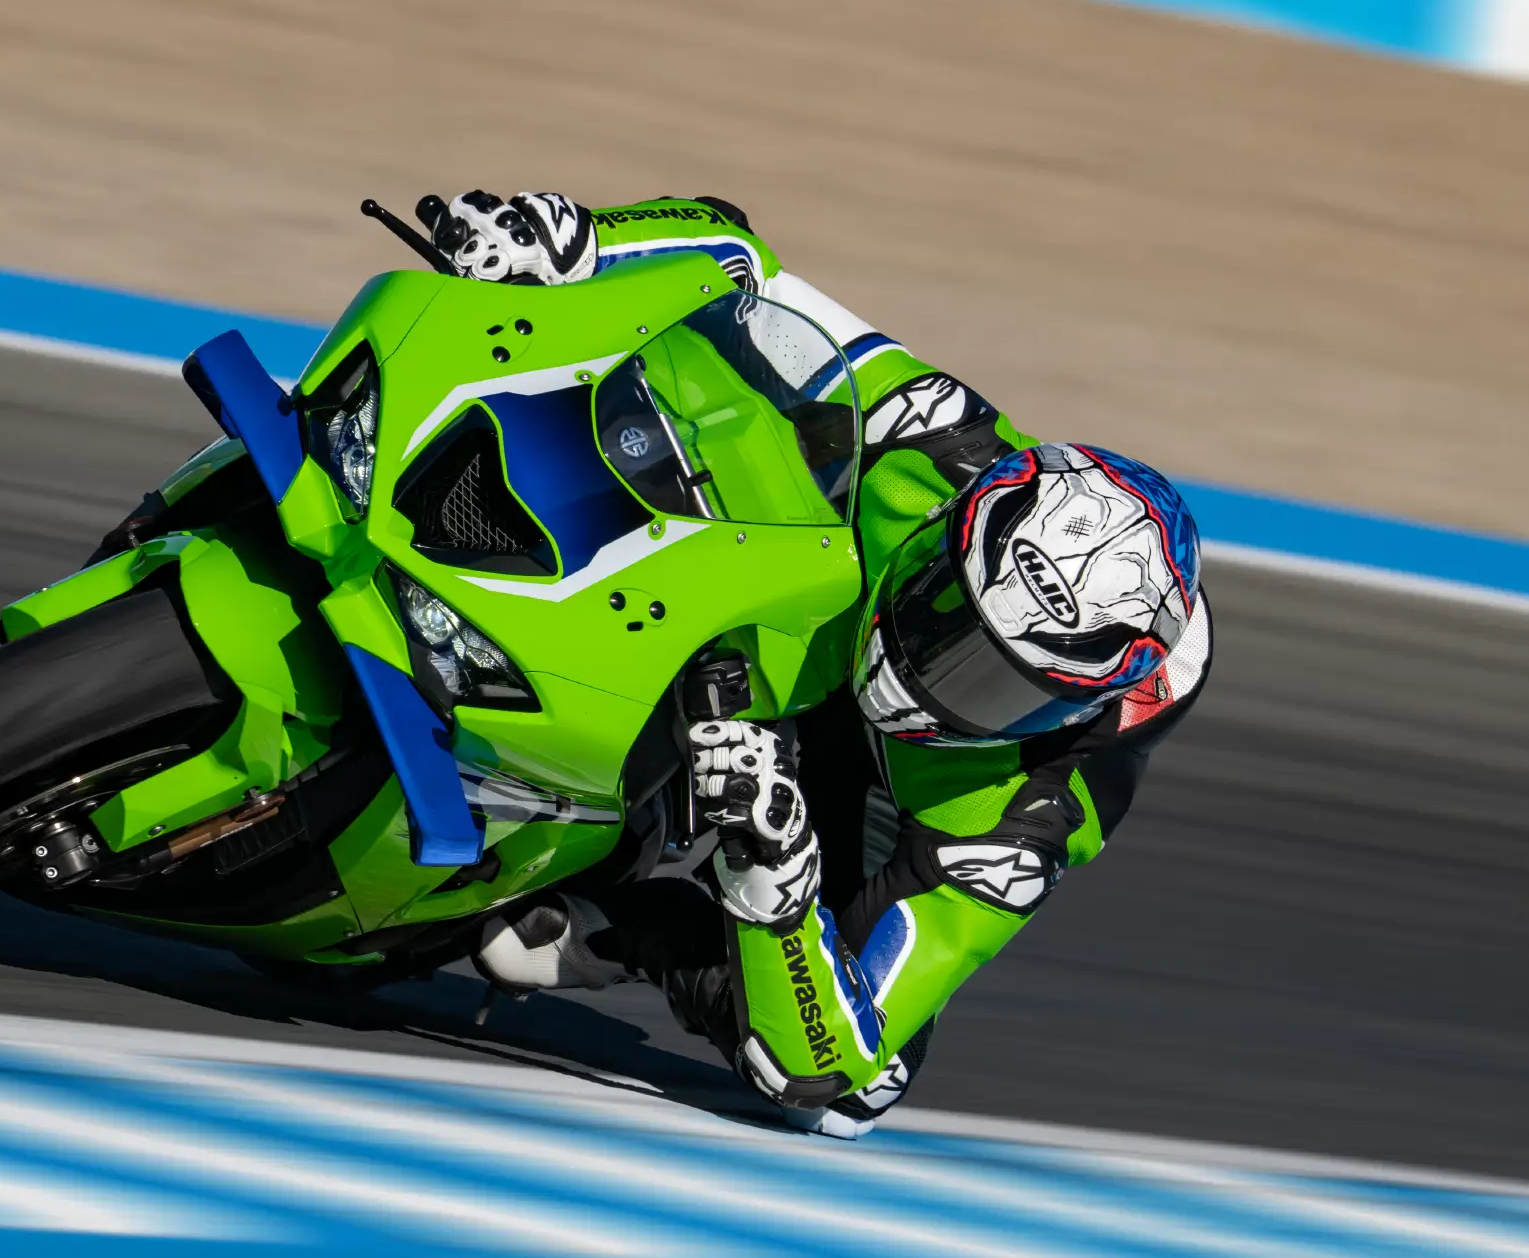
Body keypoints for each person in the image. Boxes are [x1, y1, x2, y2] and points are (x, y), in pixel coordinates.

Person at [436, 190, 1212, 1138]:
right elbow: (739, 259)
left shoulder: (1031, 809)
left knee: (852, 1097)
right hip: (782, 591)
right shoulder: (944, 443)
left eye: (997, 682)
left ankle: (640, 923)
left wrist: (778, 869)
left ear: (1063, 711)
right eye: (947, 613)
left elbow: (844, 1054)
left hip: (855, 778)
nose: (932, 672)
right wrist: (580, 241)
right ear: (957, 524)